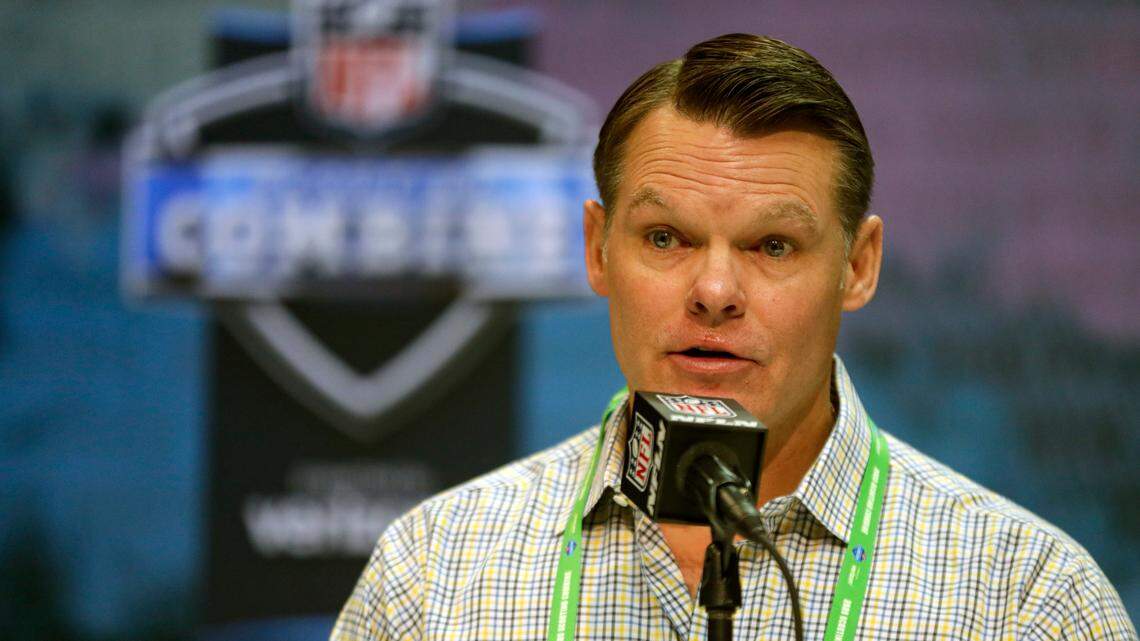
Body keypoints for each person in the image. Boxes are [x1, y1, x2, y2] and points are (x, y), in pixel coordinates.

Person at [330, 34, 1136, 640]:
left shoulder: (1028, 599)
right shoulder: (434, 575)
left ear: (858, 266)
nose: (714, 292)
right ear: (597, 250)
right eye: (666, 239)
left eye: (772, 246)